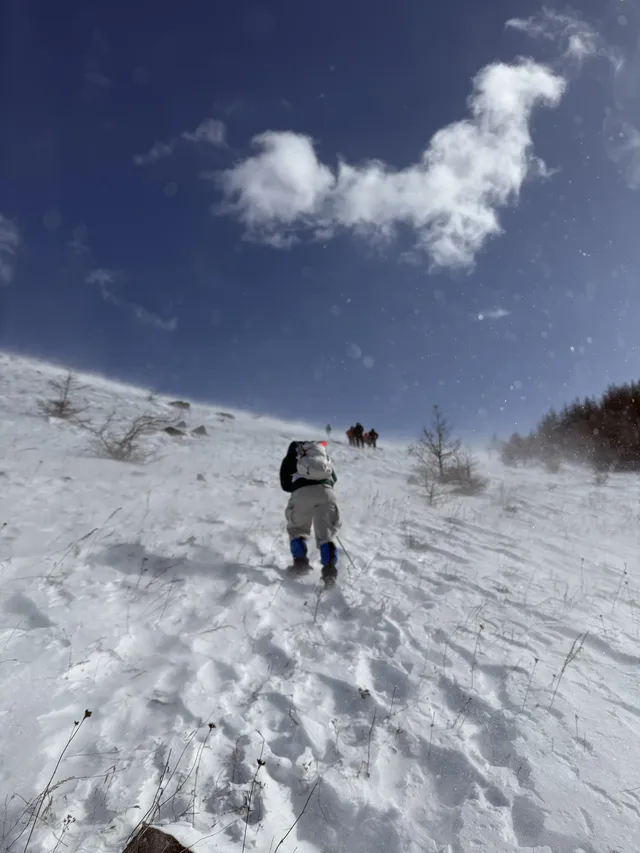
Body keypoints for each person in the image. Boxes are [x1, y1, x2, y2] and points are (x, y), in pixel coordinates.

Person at [279, 440, 340, 584]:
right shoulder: (322, 459)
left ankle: (300, 565)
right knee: (326, 535)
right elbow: (334, 478)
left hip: (301, 494)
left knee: (297, 529)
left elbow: (285, 485)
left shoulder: (291, 459)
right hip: (326, 493)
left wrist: (298, 484)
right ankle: (329, 571)